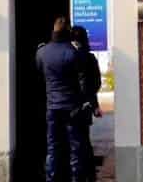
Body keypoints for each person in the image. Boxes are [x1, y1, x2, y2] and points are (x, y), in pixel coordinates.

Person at [35, 17, 86, 182]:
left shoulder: (41, 52)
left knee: (52, 147)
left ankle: (51, 178)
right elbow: (82, 77)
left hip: (52, 106)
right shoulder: (73, 52)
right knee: (75, 147)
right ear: (68, 32)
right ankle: (76, 178)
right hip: (71, 106)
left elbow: (40, 72)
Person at [70, 26, 103, 182]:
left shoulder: (68, 56)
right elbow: (96, 83)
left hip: (69, 104)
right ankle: (89, 175)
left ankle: (76, 174)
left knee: (71, 141)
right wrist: (93, 103)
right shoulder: (90, 58)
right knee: (84, 140)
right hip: (85, 105)